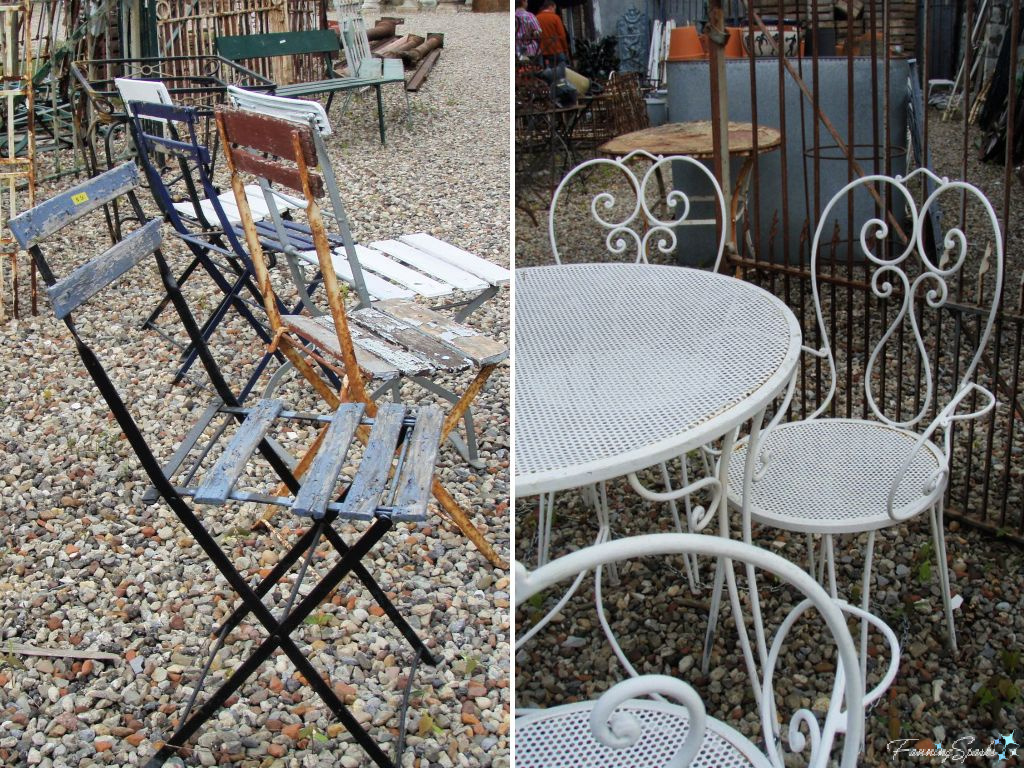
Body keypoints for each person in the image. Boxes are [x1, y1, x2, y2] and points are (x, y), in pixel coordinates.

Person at [536, 0, 570, 67]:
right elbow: (562, 35)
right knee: (563, 72)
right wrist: (566, 49)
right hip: (557, 50)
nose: (555, 11)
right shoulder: (555, 18)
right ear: (551, 7)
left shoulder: (537, 18)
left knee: (547, 73)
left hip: (544, 52)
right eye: (555, 8)